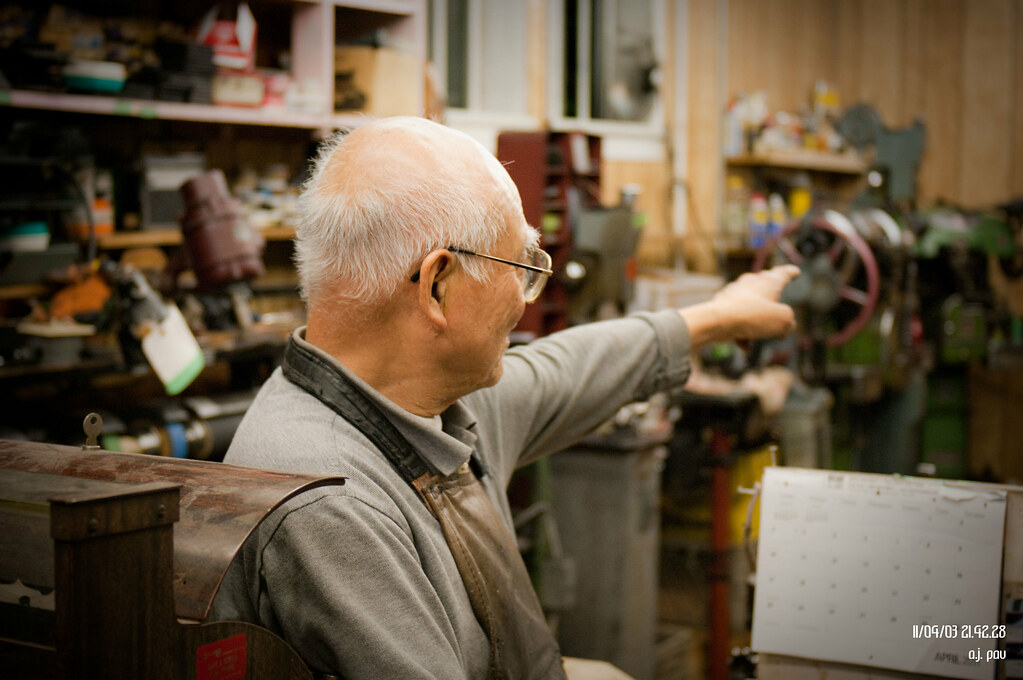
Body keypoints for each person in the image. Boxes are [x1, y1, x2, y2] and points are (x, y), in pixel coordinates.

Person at [210, 116, 799, 680]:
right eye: (520, 266)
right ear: (437, 285)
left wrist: (718, 317)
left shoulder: (418, 403)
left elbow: (564, 372)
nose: (523, 299)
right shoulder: (332, 507)